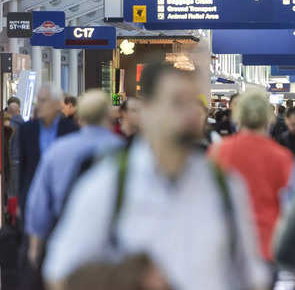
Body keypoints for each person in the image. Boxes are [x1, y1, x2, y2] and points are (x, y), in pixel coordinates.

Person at [42, 63, 268, 290]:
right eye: (177, 102)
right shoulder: (109, 184)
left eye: (193, 102)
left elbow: (251, 277)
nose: (190, 112)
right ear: (147, 110)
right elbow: (59, 274)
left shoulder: (224, 187)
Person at [24, 90, 125, 265]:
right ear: (109, 116)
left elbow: (39, 206)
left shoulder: (58, 151)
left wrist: (35, 249)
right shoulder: (124, 151)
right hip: (114, 253)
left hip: (66, 245)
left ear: (80, 116)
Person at [209, 91, 294, 262]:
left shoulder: (219, 151)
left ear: (238, 116)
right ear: (268, 118)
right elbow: (289, 204)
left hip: (228, 241)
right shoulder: (281, 156)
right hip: (267, 242)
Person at [17, 84, 79, 214]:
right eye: (38, 100)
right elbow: (23, 168)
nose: (39, 104)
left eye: (44, 100)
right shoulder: (26, 130)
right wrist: (21, 202)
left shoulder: (71, 130)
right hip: (33, 198)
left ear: (57, 104)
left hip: (62, 200)